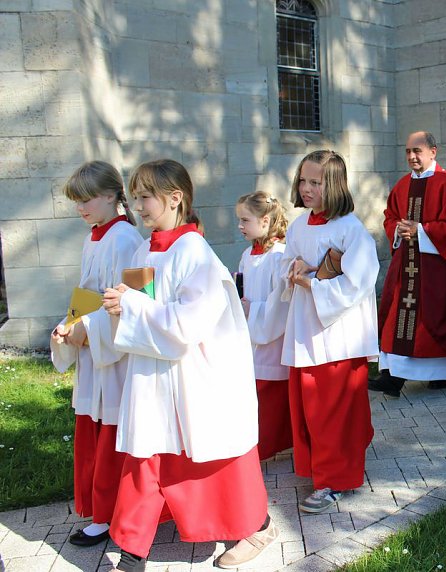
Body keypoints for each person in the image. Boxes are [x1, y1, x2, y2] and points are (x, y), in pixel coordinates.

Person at [102, 159, 276, 571]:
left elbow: (187, 325)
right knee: (146, 457)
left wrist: (131, 305)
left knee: (215, 459)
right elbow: (138, 310)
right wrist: (115, 310)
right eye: (136, 196)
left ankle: (258, 526)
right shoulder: (146, 249)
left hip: (194, 377)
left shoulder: (196, 254)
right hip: (153, 376)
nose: (137, 206)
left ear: (175, 198)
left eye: (145, 197)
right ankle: (132, 550)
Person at [279, 150, 378, 513]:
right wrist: (294, 269)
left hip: (339, 336)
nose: (306, 189)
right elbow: (285, 263)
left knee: (334, 411)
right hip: (306, 330)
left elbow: (359, 283)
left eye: (315, 182)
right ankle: (317, 468)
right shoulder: (298, 226)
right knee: (311, 408)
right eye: (302, 181)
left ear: (334, 184)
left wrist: (313, 284)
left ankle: (334, 480)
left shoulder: (351, 229)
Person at [50, 161, 142, 548]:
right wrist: (69, 325)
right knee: (94, 429)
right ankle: (100, 510)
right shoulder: (94, 237)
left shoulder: (125, 239)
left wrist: (87, 329)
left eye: (85, 200)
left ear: (109, 195)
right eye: (76, 201)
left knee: (113, 434)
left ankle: (113, 514)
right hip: (93, 349)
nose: (80, 208)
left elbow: (132, 301)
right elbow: (88, 293)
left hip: (114, 356)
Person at [370, 131, 446, 398]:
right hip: (406, 267)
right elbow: (390, 216)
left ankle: (442, 374)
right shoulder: (402, 185)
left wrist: (421, 230)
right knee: (398, 317)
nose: (412, 156)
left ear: (433, 152)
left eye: (417, 151)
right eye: (408, 151)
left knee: (433, 320)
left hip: (436, 268)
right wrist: (397, 230)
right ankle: (392, 376)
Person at [235, 191, 292, 460]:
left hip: (272, 336)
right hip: (251, 332)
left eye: (245, 220)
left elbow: (281, 302)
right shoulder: (248, 254)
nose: (240, 226)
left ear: (265, 220)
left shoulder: (279, 255)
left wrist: (253, 311)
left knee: (269, 394)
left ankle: (267, 445)